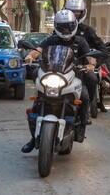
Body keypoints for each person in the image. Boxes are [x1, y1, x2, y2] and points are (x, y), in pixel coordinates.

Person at [21, 9, 96, 153]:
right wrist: (30, 56)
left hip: (72, 77)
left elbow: (89, 56)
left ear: (74, 25)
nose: (66, 29)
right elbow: (39, 49)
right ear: (57, 26)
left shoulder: (80, 41)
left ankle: (81, 126)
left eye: (68, 26)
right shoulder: (52, 39)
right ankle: (33, 138)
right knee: (37, 98)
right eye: (63, 26)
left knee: (85, 96)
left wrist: (90, 65)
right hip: (53, 75)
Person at [64, 0, 109, 113]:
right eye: (72, 11)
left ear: (83, 12)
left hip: (82, 68)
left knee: (92, 78)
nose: (75, 14)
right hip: (62, 68)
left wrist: (95, 63)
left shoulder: (87, 31)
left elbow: (103, 49)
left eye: (77, 11)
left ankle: (86, 106)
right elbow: (46, 46)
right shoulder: (60, 29)